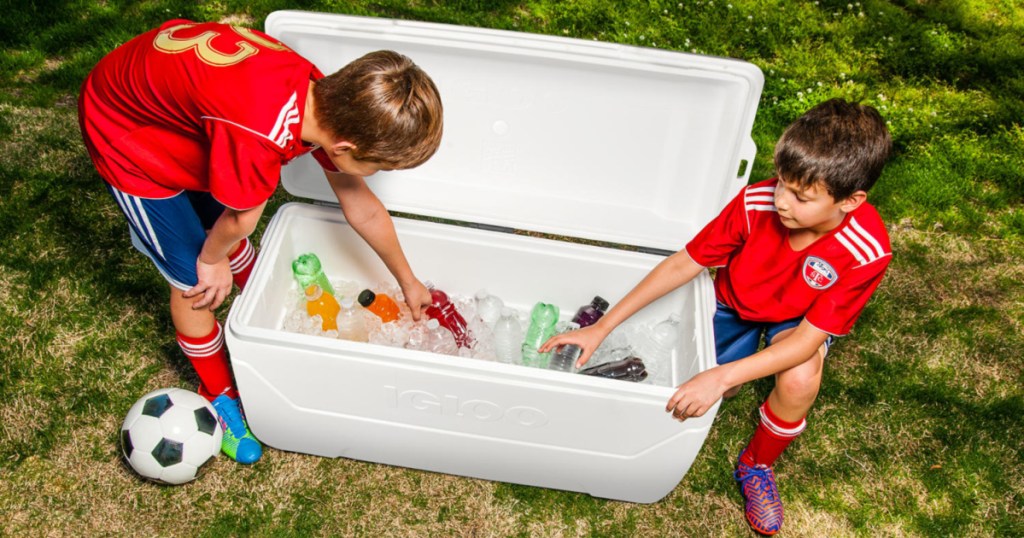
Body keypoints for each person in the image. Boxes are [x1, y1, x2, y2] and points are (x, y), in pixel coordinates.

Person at [79, 20, 443, 465]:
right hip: (126, 132)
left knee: (225, 227)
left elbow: (361, 206)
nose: (377, 175)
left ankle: (250, 294)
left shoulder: (323, 94)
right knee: (194, 279)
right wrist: (212, 259)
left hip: (178, 110)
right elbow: (238, 220)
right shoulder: (259, 137)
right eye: (379, 167)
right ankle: (219, 390)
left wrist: (408, 281)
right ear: (346, 146)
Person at [541, 98, 891, 535]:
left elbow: (806, 340)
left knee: (799, 376)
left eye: (801, 196)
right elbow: (683, 264)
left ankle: (757, 465)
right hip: (734, 301)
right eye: (781, 182)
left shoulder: (866, 250)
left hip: (795, 324)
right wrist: (603, 324)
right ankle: (729, 368)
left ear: (851, 201)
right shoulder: (755, 202)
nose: (781, 200)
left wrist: (721, 376)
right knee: (683, 391)